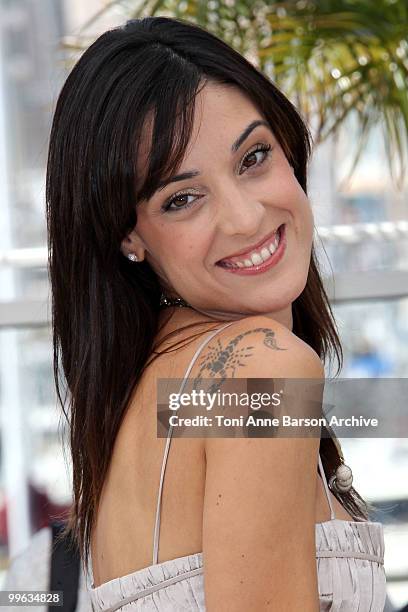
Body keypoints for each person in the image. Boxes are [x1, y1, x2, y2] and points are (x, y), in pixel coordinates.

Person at [46, 16, 387, 611]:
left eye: (254, 157)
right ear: (129, 237)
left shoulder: (139, 391)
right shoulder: (259, 366)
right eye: (182, 198)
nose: (245, 218)